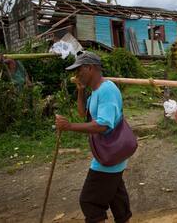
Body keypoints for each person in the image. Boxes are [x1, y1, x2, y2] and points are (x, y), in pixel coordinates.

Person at [55, 51, 132, 223]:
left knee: (89, 202)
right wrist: (81, 92)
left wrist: (69, 126)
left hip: (108, 156)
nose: (76, 74)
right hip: (112, 154)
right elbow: (83, 113)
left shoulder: (107, 90)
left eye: (79, 70)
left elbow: (103, 125)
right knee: (116, 198)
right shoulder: (95, 92)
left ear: (90, 68)